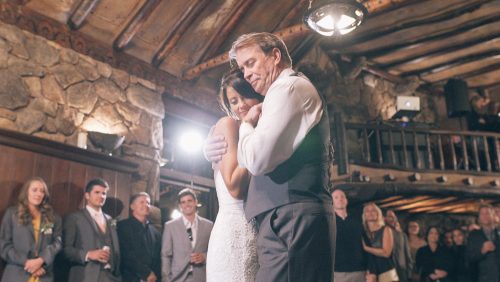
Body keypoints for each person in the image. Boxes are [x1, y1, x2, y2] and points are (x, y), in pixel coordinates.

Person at [206, 31, 334, 282]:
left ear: (275, 56)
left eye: (251, 63)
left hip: (291, 216)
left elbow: (256, 160)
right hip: (278, 219)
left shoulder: (288, 88)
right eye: (242, 68)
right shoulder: (277, 97)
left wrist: (246, 127)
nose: (247, 73)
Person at [206, 68, 262, 281]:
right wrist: (251, 131)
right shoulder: (229, 124)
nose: (241, 105)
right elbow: (235, 188)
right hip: (233, 233)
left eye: (245, 96)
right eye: (234, 101)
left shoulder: (263, 129)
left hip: (258, 234)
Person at [0, 177, 62, 282]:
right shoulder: (12, 214)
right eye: (34, 190)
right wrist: (27, 263)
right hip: (16, 275)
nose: (38, 194)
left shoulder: (53, 217)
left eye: (42, 191)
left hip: (43, 275)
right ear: (26, 192)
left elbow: (57, 243)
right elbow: (4, 244)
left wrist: (42, 261)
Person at [63, 178, 121, 282]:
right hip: (85, 276)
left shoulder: (111, 220)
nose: (101, 196)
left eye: (104, 193)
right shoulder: (74, 218)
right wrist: (88, 255)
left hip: (111, 277)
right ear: (87, 195)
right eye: (97, 192)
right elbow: (66, 250)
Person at [161, 188, 213, 282]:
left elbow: (215, 252)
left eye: (189, 201)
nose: (187, 204)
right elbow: (166, 255)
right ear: (180, 205)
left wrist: (204, 257)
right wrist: (166, 279)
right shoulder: (170, 226)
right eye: (183, 202)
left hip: (202, 277)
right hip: (178, 278)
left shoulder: (208, 225)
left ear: (196, 202)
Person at [117, 192, 161, 282]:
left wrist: (155, 275)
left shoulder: (155, 232)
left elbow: (159, 257)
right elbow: (126, 254)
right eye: (142, 202)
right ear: (132, 206)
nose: (146, 205)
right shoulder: (122, 227)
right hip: (130, 278)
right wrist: (146, 273)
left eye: (148, 203)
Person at [332, 189, 366, 282]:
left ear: (346, 201)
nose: (340, 199)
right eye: (336, 197)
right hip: (337, 273)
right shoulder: (327, 224)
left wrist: (372, 271)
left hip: (359, 272)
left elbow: (366, 246)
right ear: (332, 202)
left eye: (342, 196)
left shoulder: (357, 222)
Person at [362, 203, 398, 282]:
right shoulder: (362, 231)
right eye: (367, 211)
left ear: (378, 213)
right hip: (368, 272)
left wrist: (366, 248)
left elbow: (386, 253)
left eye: (373, 210)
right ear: (364, 215)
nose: (370, 213)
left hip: (386, 270)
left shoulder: (386, 229)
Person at [467, 204, 500, 282]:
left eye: (487, 213)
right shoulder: (473, 235)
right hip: (484, 278)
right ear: (479, 217)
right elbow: (469, 258)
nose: (485, 216)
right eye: (482, 214)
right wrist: (482, 251)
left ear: (493, 215)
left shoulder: (499, 232)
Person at [385, 210, 413, 282]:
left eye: (394, 217)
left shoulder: (402, 235)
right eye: (390, 217)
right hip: (386, 271)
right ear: (384, 218)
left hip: (401, 272)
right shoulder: (380, 234)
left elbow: (407, 255)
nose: (393, 219)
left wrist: (409, 274)